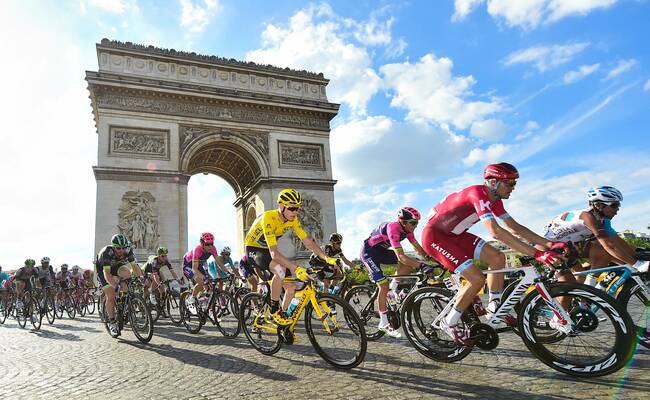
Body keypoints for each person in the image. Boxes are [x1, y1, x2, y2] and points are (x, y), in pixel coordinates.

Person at [421, 162, 564, 345]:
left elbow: (514, 228)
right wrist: (536, 254)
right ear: (493, 182)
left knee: (498, 257)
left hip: (456, 235)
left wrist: (548, 244)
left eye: (515, 183)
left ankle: (494, 305)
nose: (513, 188)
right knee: (476, 278)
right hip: (435, 237)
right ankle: (449, 322)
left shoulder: (495, 201)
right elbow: (495, 232)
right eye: (510, 183)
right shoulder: (478, 194)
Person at [244, 188, 338, 326]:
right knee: (280, 268)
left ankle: (281, 320)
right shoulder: (269, 218)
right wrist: (297, 268)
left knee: (291, 287)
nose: (295, 212)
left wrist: (326, 258)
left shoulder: (292, 220)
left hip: (268, 249)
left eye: (297, 209)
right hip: (254, 249)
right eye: (292, 208)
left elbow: (308, 242)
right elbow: (274, 254)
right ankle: (274, 308)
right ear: (281, 206)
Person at [543, 186, 649, 282]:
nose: (618, 208)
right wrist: (638, 264)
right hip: (550, 247)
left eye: (618, 204)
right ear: (598, 205)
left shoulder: (603, 220)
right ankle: (591, 291)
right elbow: (609, 246)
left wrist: (640, 251)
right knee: (605, 251)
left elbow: (617, 241)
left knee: (585, 274)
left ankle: (587, 296)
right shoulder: (588, 217)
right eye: (614, 205)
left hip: (571, 245)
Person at [360, 207, 431, 338]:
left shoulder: (408, 230)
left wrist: (431, 259)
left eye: (417, 223)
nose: (416, 226)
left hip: (382, 252)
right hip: (369, 253)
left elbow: (418, 248)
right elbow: (401, 257)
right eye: (413, 223)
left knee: (409, 263)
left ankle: (392, 292)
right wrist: (422, 266)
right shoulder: (393, 228)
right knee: (383, 285)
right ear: (403, 222)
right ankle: (383, 322)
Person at [95, 234, 144, 337]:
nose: (121, 250)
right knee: (111, 295)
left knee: (128, 275)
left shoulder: (128, 250)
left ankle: (124, 300)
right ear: (113, 246)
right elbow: (107, 274)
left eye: (123, 248)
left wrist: (141, 278)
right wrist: (115, 285)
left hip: (117, 265)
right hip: (104, 269)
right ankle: (112, 322)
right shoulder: (106, 252)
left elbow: (134, 266)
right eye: (118, 248)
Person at [182, 232, 228, 313]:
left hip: (199, 265)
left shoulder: (213, 248)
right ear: (202, 243)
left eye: (212, 243)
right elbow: (194, 269)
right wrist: (204, 278)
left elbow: (219, 263)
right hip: (189, 266)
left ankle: (206, 305)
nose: (210, 246)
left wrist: (228, 273)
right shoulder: (197, 249)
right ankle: (191, 299)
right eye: (207, 244)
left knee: (210, 288)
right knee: (201, 282)